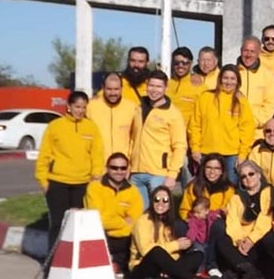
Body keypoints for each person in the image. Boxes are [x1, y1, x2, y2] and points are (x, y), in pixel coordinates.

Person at [35, 90, 104, 251]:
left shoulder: (91, 127)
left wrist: (96, 175)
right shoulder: (55, 127)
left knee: (79, 225)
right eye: (77, 106)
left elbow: (97, 154)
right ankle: (52, 264)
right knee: (58, 224)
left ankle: (75, 263)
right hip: (58, 183)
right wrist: (43, 182)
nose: (80, 110)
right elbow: (44, 156)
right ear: (69, 106)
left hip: (82, 184)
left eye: (83, 107)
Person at [128, 186, 219, 279]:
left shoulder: (168, 221)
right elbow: (146, 251)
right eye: (156, 200)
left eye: (165, 200)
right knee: (156, 251)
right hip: (141, 268)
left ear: (170, 204)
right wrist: (177, 245)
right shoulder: (143, 221)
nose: (160, 203)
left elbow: (172, 254)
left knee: (197, 254)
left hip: (164, 267)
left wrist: (182, 247)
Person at [189, 64, 255, 185]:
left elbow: (247, 129)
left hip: (231, 154)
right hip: (206, 152)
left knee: (229, 189)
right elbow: (195, 125)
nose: (228, 82)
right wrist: (195, 149)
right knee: (205, 188)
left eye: (232, 78)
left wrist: (242, 154)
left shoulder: (241, 101)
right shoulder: (205, 97)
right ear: (220, 79)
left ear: (237, 81)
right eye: (225, 78)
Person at [129, 70, 187, 206]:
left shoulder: (173, 114)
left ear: (165, 88)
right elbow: (133, 138)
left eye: (159, 86)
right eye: (151, 86)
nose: (154, 90)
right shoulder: (138, 108)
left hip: (158, 174)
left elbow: (179, 146)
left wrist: (172, 175)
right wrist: (128, 164)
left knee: (159, 214)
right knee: (139, 215)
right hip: (136, 173)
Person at [84, 152, 143, 273]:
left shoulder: (133, 191)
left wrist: (113, 222)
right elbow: (97, 220)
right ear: (107, 168)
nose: (119, 171)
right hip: (102, 236)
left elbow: (135, 221)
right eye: (114, 167)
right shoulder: (94, 188)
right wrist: (123, 222)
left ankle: (119, 264)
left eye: (123, 168)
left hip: (125, 239)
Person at [216, 160, 273, 279]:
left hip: (259, 236)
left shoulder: (269, 192)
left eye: (251, 174)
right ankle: (249, 271)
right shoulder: (236, 197)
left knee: (268, 241)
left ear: (259, 174)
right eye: (243, 176)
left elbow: (266, 218)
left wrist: (251, 240)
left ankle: (239, 269)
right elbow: (232, 221)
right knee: (222, 241)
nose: (248, 178)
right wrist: (238, 240)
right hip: (241, 239)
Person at [87, 72, 137, 162]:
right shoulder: (90, 107)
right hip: (97, 164)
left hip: (122, 167)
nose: (113, 93)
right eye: (109, 89)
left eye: (116, 89)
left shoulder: (132, 108)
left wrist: (130, 160)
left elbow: (135, 138)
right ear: (103, 88)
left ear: (122, 88)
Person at [237, 36, 274, 143]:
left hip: (256, 136)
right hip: (232, 133)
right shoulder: (231, 74)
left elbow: (269, 107)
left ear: (259, 53)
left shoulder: (268, 77)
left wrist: (249, 122)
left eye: (252, 51)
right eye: (246, 50)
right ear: (241, 51)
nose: (248, 54)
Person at [179, 154, 236, 221]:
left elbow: (232, 213)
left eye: (217, 168)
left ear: (222, 171)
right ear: (203, 169)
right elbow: (184, 210)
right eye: (208, 167)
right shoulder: (193, 187)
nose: (212, 172)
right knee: (179, 226)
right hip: (196, 221)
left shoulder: (229, 190)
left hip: (217, 223)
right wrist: (189, 219)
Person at [167, 46, 205, 126]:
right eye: (177, 62)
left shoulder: (200, 87)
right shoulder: (165, 85)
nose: (180, 66)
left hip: (187, 135)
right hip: (166, 133)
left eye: (185, 63)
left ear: (191, 63)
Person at [185, 196, 221, 278]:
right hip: (198, 241)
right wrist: (191, 239)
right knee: (202, 254)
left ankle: (210, 268)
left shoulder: (209, 216)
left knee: (210, 252)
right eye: (194, 212)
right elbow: (192, 229)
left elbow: (215, 213)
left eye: (198, 212)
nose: (195, 214)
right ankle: (199, 272)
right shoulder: (193, 220)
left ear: (206, 211)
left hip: (207, 240)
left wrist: (220, 213)